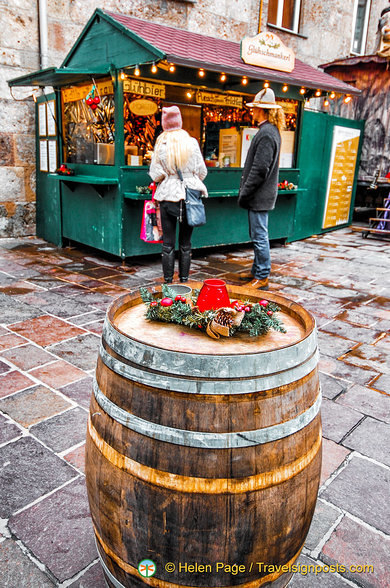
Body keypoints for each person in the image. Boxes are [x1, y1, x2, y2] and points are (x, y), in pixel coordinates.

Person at [149, 106, 207, 283]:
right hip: (189, 195)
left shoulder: (161, 144)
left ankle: (168, 281)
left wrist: (169, 176)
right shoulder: (191, 142)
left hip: (168, 194)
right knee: (186, 244)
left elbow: (155, 174)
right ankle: (184, 280)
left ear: (164, 124)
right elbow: (202, 171)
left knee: (168, 243)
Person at [237, 88, 285, 290]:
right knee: (258, 235)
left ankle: (262, 275)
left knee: (259, 236)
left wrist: (245, 192)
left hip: (258, 196)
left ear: (262, 110)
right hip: (261, 195)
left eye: (255, 107)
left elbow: (259, 169)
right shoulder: (270, 131)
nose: (252, 111)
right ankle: (257, 271)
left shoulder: (266, 133)